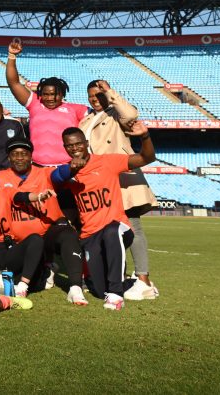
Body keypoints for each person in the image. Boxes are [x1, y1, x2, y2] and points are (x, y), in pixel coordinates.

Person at [54, 123, 155, 311]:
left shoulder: (107, 161)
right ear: (65, 148)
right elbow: (55, 179)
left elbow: (146, 157)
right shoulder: (68, 172)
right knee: (100, 292)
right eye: (69, 145)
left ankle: (116, 296)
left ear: (86, 143)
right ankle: (135, 284)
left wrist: (145, 136)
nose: (75, 148)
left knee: (111, 231)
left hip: (118, 228)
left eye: (78, 144)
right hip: (90, 236)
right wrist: (71, 171)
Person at [79, 79, 158, 301]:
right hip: (97, 184)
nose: (95, 98)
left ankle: (143, 280)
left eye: (99, 94)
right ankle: (116, 276)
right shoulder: (85, 120)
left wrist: (110, 92)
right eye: (91, 95)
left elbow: (131, 114)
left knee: (133, 227)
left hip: (121, 177)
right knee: (105, 233)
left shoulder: (115, 113)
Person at [0, 136, 87, 306]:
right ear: (8, 157)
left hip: (47, 235)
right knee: (35, 283)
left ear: (31, 156)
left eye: (24, 154)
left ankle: (75, 287)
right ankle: (47, 269)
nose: (19, 158)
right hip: (20, 244)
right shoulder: (0, 177)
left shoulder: (44, 173)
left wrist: (71, 168)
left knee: (68, 234)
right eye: (15, 154)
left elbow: (60, 174)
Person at [5, 40, 88, 168]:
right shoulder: (34, 103)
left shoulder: (77, 109)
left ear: (62, 94)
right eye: (46, 94)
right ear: (40, 94)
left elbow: (104, 117)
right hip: (37, 167)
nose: (50, 98)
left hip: (68, 167)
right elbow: (14, 83)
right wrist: (12, 56)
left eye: (55, 94)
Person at [0, 162, 43, 298]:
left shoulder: (4, 192)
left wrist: (39, 196)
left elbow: (22, 197)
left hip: (5, 248)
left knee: (36, 240)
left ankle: (22, 286)